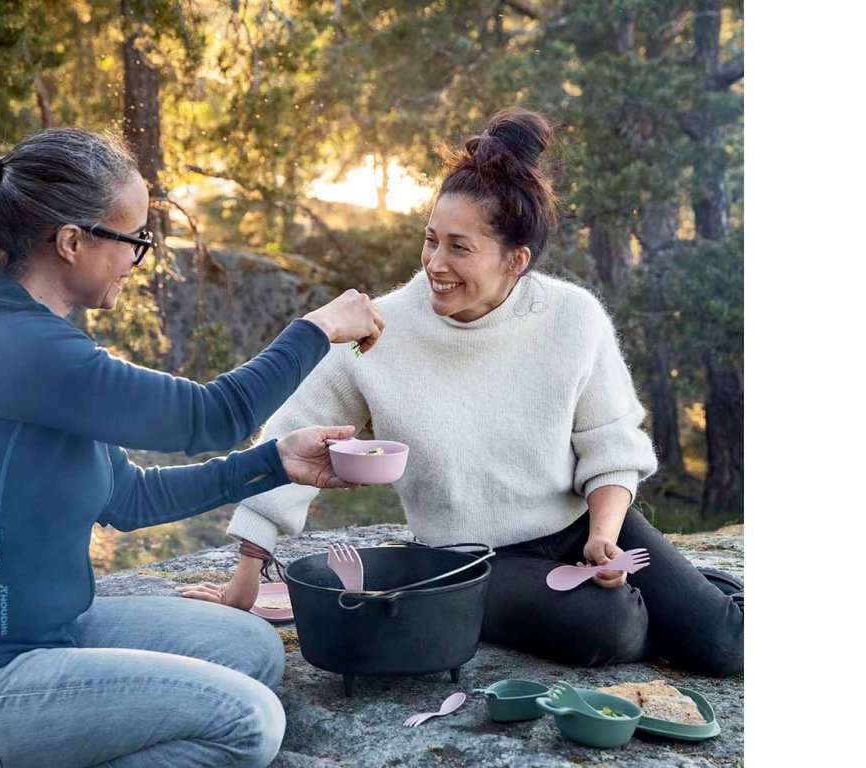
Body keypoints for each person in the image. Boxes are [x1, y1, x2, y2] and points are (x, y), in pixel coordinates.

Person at [182, 107, 743, 678]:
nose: (435, 264)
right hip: (473, 559)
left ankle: (699, 599)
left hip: (583, 524)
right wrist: (246, 576)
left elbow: (611, 443)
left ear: (515, 260)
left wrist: (602, 537)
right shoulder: (380, 331)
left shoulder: (574, 318)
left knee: (726, 646)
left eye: (459, 247)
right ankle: (663, 609)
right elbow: (290, 440)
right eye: (430, 241)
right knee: (614, 626)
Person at [0, 127, 385, 768]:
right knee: (250, 722)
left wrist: (275, 462)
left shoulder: (43, 346)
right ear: (72, 242)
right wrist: (317, 328)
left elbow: (129, 497)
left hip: (51, 630)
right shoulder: (14, 347)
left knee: (252, 649)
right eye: (134, 240)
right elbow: (212, 416)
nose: (139, 259)